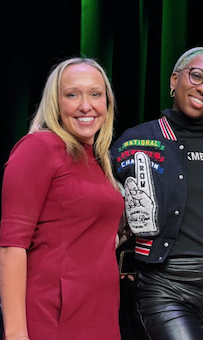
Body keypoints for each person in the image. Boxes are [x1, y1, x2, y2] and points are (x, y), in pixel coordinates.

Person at [111, 46, 203, 340]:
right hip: (163, 285)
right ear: (173, 80)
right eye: (196, 75)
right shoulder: (137, 140)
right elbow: (101, 201)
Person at [0, 57, 124, 340]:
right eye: (72, 95)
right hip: (53, 317)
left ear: (107, 102)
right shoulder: (40, 147)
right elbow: (11, 247)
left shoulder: (98, 160)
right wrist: (17, 334)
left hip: (101, 314)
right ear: (56, 103)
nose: (85, 105)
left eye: (95, 94)